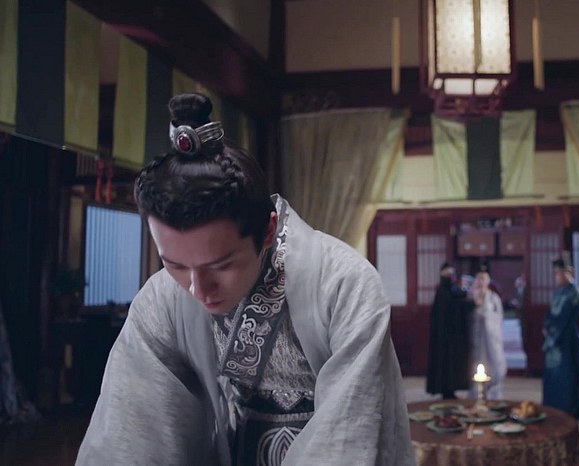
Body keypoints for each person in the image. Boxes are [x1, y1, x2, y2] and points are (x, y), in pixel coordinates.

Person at [76, 93, 415, 466]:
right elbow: (131, 434)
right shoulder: (162, 300)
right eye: (175, 265)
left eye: (221, 265)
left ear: (268, 230)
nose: (197, 289)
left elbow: (350, 437)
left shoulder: (344, 285)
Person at [542, 259, 579, 419]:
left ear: (569, 273)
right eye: (556, 274)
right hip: (554, 335)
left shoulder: (575, 292)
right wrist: (547, 326)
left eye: (560, 273)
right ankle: (553, 406)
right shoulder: (558, 292)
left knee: (568, 372)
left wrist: (554, 332)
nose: (557, 277)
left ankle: (571, 408)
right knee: (553, 373)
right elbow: (550, 313)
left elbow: (567, 317)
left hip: (568, 336)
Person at [426, 262, 471, 399]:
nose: (450, 276)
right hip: (443, 335)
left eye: (451, 274)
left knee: (453, 363)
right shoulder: (441, 290)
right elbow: (450, 307)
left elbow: (458, 301)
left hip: (453, 334)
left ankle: (451, 390)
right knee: (444, 363)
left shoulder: (453, 289)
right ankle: (445, 390)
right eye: (447, 274)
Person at [467, 268, 506, 400]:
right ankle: (475, 393)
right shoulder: (471, 296)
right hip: (476, 335)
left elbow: (499, 316)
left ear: (488, 281)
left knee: (494, 362)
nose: (481, 282)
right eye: (479, 278)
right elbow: (467, 315)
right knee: (476, 361)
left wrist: (488, 318)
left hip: (491, 336)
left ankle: (493, 391)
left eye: (484, 279)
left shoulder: (494, 298)